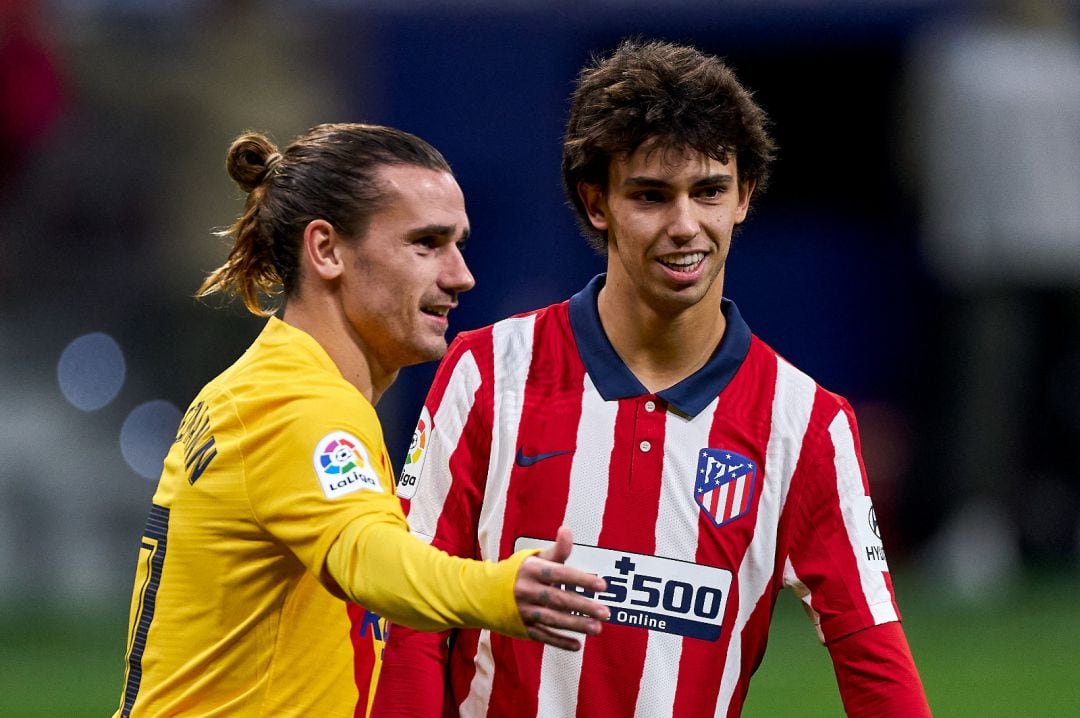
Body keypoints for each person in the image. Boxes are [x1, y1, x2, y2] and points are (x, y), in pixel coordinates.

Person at [373, 40, 931, 717]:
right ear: (597, 202)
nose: (684, 225)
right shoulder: (489, 372)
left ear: (744, 196)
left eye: (708, 191)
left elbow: (870, 650)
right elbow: (409, 620)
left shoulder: (806, 423)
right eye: (650, 196)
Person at [114, 123, 609, 717]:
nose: (461, 276)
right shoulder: (298, 405)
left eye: (458, 244)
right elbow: (368, 558)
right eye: (426, 244)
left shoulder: (273, 385)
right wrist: (500, 590)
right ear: (326, 250)